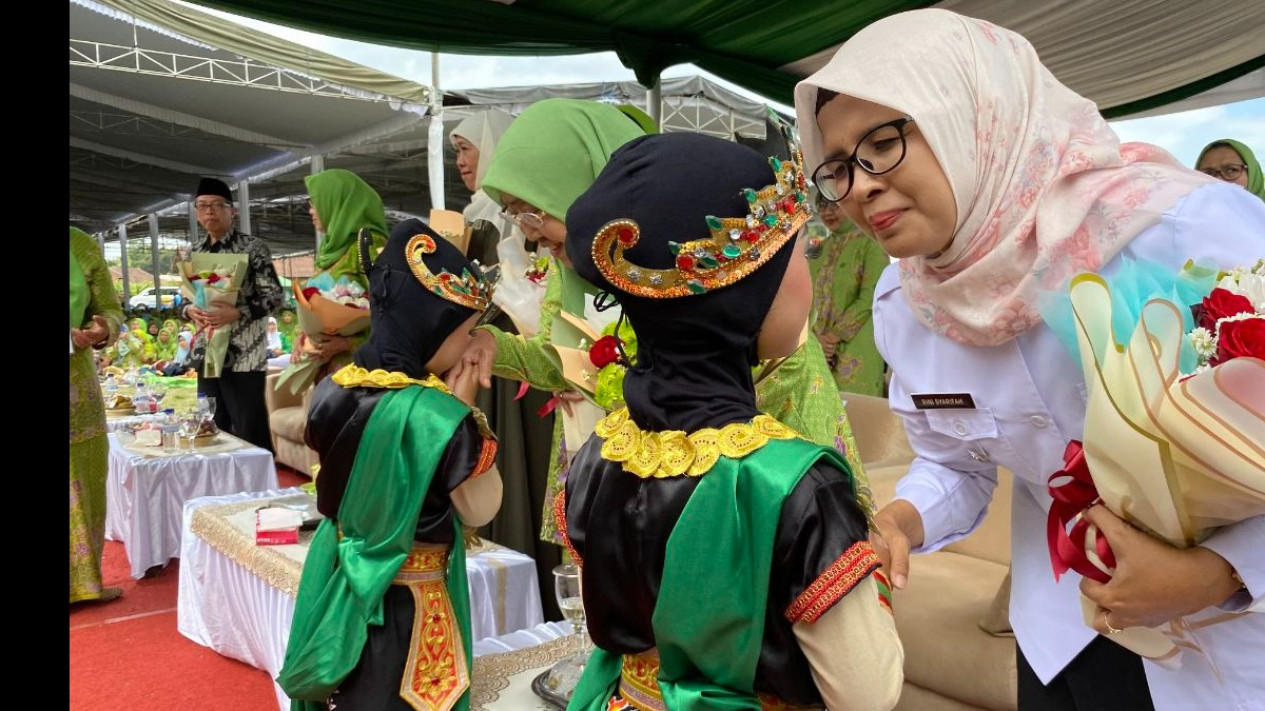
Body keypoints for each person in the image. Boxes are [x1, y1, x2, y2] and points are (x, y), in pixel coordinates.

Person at [794, 9, 1265, 710]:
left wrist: (1215, 572)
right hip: (1060, 634)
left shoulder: (1174, 231)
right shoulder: (909, 299)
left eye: (883, 143)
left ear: (976, 118)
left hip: (1228, 642)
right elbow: (954, 461)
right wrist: (901, 520)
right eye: (836, 167)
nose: (858, 185)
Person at [559, 132, 902, 710]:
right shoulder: (792, 485)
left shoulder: (600, 451)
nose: (807, 278)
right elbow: (870, 693)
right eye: (797, 256)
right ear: (742, 290)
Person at [451, 98, 873, 549]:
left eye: (533, 210)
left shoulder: (721, 275)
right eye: (515, 214)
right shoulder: (569, 270)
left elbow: (782, 402)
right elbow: (570, 361)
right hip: (623, 481)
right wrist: (497, 346)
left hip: (730, 501)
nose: (529, 231)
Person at [277, 219, 502, 711]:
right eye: (464, 332)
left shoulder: (331, 389)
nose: (466, 345)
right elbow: (481, 508)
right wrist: (459, 413)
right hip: (414, 600)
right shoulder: (438, 416)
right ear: (432, 326)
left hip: (339, 581)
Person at [449, 109, 561, 600]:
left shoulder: (517, 222)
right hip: (501, 358)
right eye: (455, 151)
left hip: (532, 364)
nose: (461, 162)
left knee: (535, 471)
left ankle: (545, 586)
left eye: (466, 148)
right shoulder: (474, 216)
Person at [183, 177, 284, 452]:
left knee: (250, 426)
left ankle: (261, 490)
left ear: (232, 211)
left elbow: (274, 297)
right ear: (196, 212)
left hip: (244, 354)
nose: (209, 212)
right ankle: (220, 490)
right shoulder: (194, 251)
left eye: (217, 205)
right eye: (202, 206)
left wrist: (237, 312)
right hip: (208, 352)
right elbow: (187, 296)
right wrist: (189, 309)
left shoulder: (252, 248)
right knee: (210, 424)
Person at [283, 169, 388, 391]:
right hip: (324, 373)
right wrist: (302, 339)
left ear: (338, 202)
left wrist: (349, 343)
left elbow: (393, 313)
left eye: (316, 202)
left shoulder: (371, 246)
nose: (311, 211)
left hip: (360, 375)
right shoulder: (328, 252)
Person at [70, 226, 125, 604]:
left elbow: (110, 307)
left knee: (85, 473)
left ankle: (84, 583)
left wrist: (103, 328)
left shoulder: (80, 245)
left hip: (78, 384)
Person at [809, 194, 889, 396]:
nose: (827, 212)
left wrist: (834, 336)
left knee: (857, 415)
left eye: (834, 206)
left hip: (857, 344)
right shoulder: (817, 249)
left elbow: (872, 295)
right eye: (821, 206)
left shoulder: (871, 244)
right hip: (817, 346)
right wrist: (817, 336)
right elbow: (807, 296)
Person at [1194, 138, 1265, 201]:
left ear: (1253, 175)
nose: (1219, 180)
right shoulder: (1188, 213)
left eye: (1231, 170)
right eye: (1208, 173)